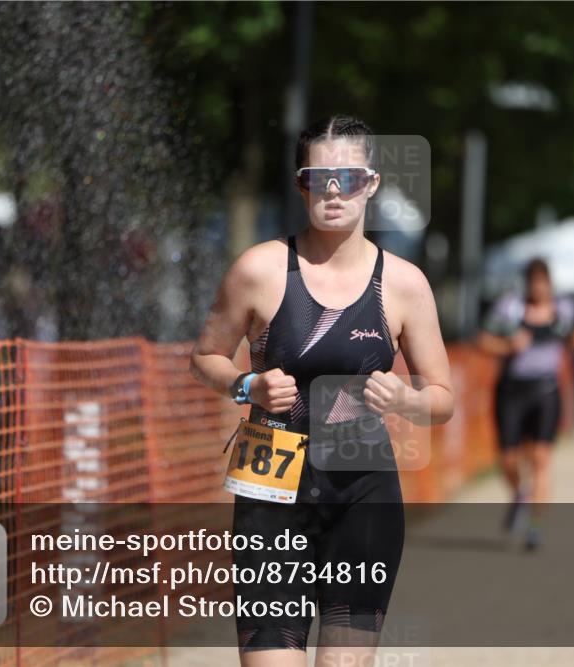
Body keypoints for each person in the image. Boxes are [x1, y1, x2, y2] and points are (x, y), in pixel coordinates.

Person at [190, 114, 454, 665]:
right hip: (270, 491)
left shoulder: (404, 283)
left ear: (373, 183)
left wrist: (405, 400)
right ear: (299, 184)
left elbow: (441, 397)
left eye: (350, 178)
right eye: (318, 178)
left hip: (362, 493)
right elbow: (203, 358)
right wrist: (247, 386)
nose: (334, 192)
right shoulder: (259, 270)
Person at [477, 258, 574, 550]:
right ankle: (519, 494)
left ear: (550, 284)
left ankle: (535, 527)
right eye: (534, 282)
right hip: (512, 390)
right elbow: (482, 340)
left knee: (541, 459)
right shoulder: (510, 309)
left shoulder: (562, 311)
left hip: (546, 391)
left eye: (544, 282)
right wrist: (508, 346)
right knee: (509, 459)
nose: (539, 288)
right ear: (527, 284)